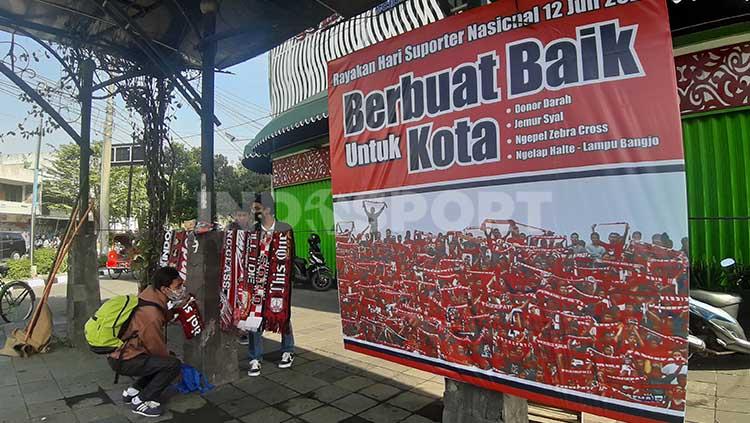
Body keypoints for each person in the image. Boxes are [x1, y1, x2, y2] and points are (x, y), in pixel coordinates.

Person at [110, 267, 185, 418]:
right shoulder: (151, 315)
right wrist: (170, 360)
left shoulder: (150, 293)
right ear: (164, 289)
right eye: (178, 287)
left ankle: (133, 391)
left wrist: (177, 310)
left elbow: (162, 312)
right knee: (171, 364)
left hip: (122, 353)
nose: (181, 290)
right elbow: (155, 347)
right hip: (126, 359)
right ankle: (142, 401)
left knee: (160, 362)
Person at [247, 192, 295, 377]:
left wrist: (288, 282)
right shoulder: (253, 231)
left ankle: (288, 350)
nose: (253, 211)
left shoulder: (285, 229)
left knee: (283, 314)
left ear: (267, 209)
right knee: (254, 318)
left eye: (256, 208)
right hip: (258, 282)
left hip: (279, 281)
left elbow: (292, 255)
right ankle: (255, 357)